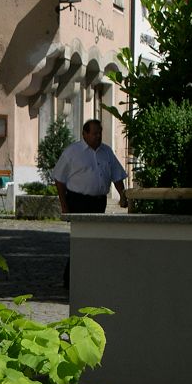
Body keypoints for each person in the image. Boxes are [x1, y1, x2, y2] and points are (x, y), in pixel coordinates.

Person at [52, 118, 128, 287]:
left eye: (99, 133)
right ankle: (70, 278)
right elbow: (59, 179)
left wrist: (123, 196)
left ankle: (88, 274)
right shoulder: (72, 152)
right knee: (80, 240)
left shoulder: (106, 152)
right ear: (85, 134)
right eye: (94, 133)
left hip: (99, 202)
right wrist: (64, 205)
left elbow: (117, 176)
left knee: (94, 239)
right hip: (79, 200)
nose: (98, 136)